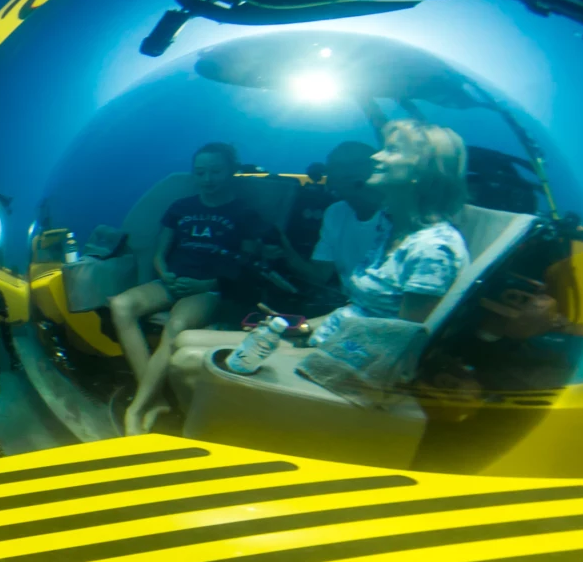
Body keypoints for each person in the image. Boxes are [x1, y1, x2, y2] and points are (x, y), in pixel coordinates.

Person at [156, 119, 473, 429]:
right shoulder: (391, 227)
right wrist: (298, 327)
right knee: (184, 340)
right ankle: (220, 427)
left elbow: (399, 346)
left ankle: (222, 435)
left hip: (355, 365)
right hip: (333, 339)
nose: (376, 157)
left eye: (391, 150)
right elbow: (358, 310)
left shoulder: (432, 249)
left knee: (186, 363)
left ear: (420, 172)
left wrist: (310, 348)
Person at [112, 142, 272, 434]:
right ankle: (156, 398)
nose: (207, 179)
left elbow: (246, 263)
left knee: (179, 325)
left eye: (215, 171)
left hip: (208, 288)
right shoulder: (180, 208)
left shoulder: (245, 213)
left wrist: (207, 283)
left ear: (232, 171)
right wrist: (166, 274)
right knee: (120, 305)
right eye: (200, 172)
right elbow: (160, 252)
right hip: (172, 280)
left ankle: (136, 408)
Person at [259, 140, 383, 310]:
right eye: (335, 166)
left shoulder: (399, 215)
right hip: (351, 311)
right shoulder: (335, 213)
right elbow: (319, 276)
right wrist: (286, 252)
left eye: (356, 164)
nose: (346, 173)